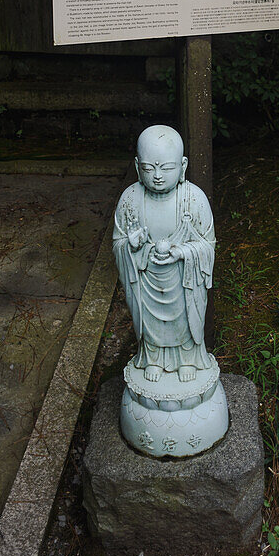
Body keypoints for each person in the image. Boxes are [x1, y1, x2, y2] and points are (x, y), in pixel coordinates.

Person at [113, 125, 214, 383]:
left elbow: (207, 245)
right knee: (151, 323)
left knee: (185, 317)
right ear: (137, 167)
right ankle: (153, 357)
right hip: (147, 280)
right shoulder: (130, 199)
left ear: (183, 166)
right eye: (149, 168)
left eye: (166, 168)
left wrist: (182, 253)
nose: (157, 176)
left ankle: (188, 357)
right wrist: (131, 246)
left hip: (182, 281)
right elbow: (118, 244)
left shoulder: (194, 198)